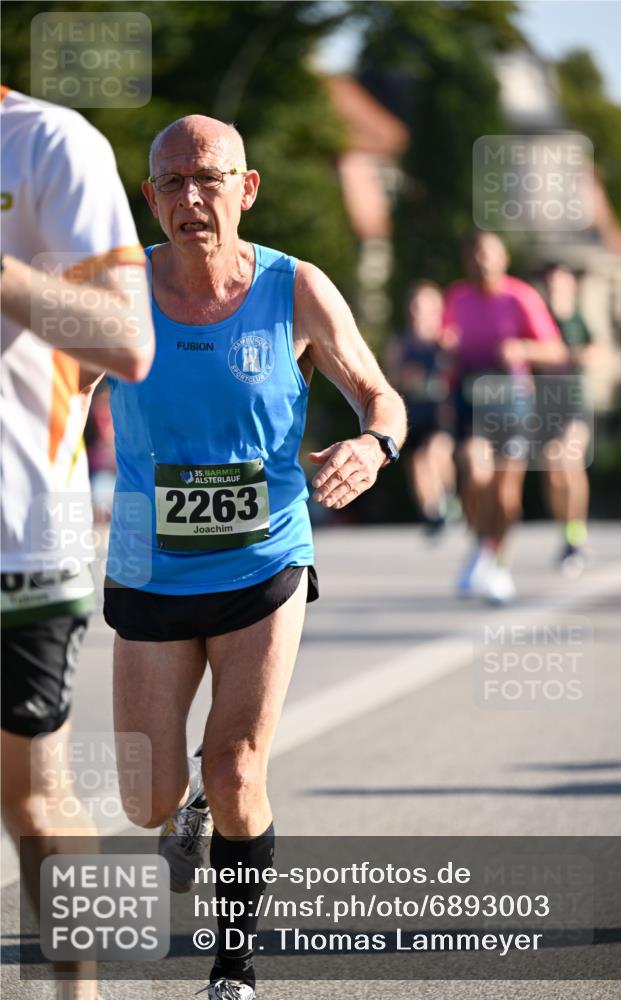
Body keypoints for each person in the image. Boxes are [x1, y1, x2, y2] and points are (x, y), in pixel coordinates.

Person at [102, 114, 407, 1000]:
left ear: (248, 186)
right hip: (150, 568)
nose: (191, 199)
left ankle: (232, 968)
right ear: (149, 197)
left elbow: (378, 394)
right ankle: (181, 811)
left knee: (237, 765)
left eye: (209, 178)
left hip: (264, 558)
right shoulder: (115, 292)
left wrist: (371, 447)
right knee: (145, 799)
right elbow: (43, 391)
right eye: (172, 183)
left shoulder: (295, 288)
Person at [1, 86, 154, 1000]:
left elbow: (128, 342)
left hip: (17, 531)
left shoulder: (50, 144)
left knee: (33, 799)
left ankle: (76, 995)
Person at [443, 231, 566, 604]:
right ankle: (480, 544)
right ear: (468, 261)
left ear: (503, 259)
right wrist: (446, 352)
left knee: (506, 495)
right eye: (476, 254)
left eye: (489, 254)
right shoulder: (458, 297)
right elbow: (446, 347)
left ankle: (497, 561)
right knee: (474, 470)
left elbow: (556, 351)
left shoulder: (521, 297)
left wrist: (522, 347)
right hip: (471, 399)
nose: (483, 261)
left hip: (512, 402)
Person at [538, 263, 597, 576]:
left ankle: (577, 533)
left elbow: (594, 351)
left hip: (574, 404)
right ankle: (567, 533)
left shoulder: (577, 318)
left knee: (569, 459)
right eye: (551, 282)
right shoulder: (539, 315)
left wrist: (573, 355)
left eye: (561, 282)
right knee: (551, 468)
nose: (555, 287)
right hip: (544, 405)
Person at [386, 281, 457, 535]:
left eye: (426, 307)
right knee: (417, 463)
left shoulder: (445, 341)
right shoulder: (402, 343)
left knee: (436, 453)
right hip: (414, 413)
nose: (420, 313)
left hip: (440, 412)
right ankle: (432, 511)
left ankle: (449, 496)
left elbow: (456, 371)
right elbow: (391, 377)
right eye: (416, 307)